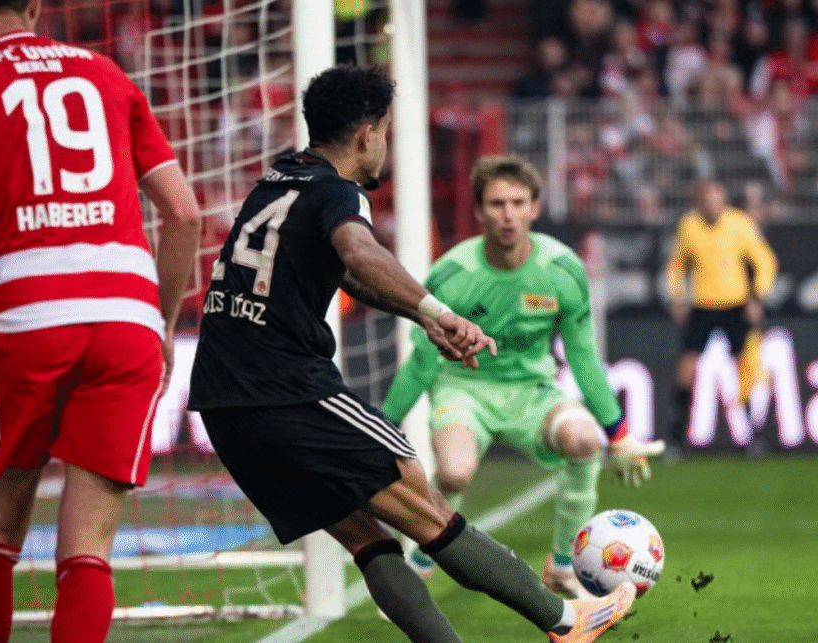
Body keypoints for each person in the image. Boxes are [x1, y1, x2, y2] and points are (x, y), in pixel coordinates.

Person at [189, 65, 635, 643]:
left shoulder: (277, 181)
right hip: (287, 389)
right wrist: (437, 311)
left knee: (367, 538)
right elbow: (357, 250)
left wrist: (422, 320)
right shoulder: (337, 192)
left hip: (224, 403)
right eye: (388, 133)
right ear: (367, 135)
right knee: (424, 504)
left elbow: (349, 277)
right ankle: (566, 619)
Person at [0, 0, 202, 640]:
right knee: (88, 548)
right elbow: (185, 215)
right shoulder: (107, 75)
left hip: (24, 315)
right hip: (125, 319)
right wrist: (162, 321)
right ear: (36, 5)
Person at [382, 154, 666, 601]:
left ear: (535, 207)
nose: (508, 214)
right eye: (496, 204)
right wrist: (381, 429)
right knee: (455, 473)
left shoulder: (562, 271)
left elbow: (583, 356)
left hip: (534, 392)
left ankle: (562, 565)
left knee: (583, 440)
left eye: (518, 202)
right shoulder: (453, 276)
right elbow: (422, 363)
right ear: (479, 211)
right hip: (464, 388)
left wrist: (621, 433)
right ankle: (418, 563)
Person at [665, 179, 777, 454]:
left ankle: (754, 437)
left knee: (745, 370)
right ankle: (675, 439)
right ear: (699, 202)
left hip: (736, 306)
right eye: (707, 200)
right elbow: (677, 265)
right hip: (702, 306)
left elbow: (765, 261)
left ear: (724, 201)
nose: (712, 206)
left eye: (717, 200)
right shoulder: (689, 226)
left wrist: (757, 297)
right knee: (686, 370)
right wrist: (677, 297)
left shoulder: (740, 224)